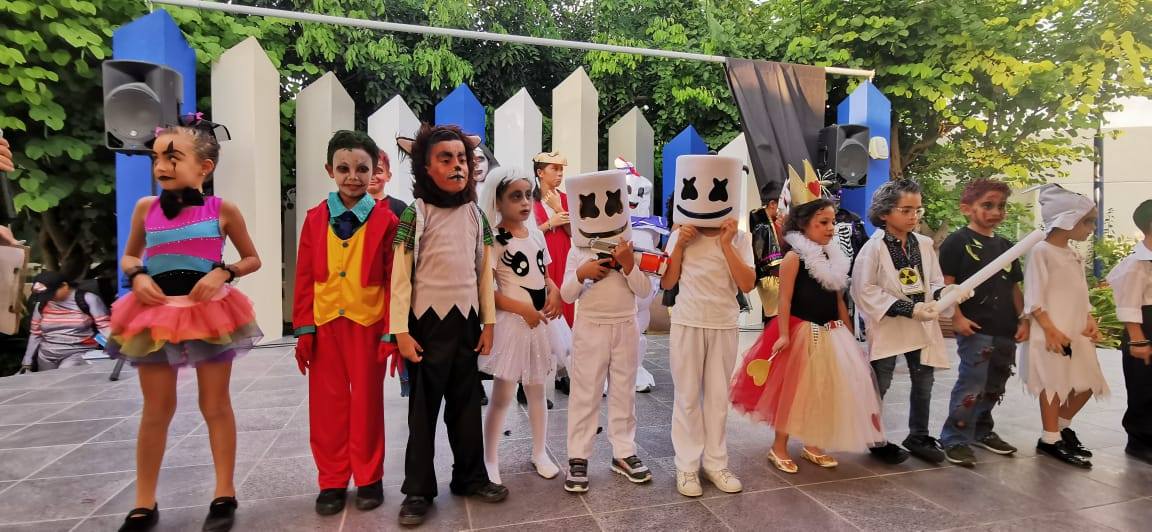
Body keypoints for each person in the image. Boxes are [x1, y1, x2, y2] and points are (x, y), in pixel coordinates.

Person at [108, 115, 262, 532]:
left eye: (172, 158)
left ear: (204, 167)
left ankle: (224, 491)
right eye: (157, 158)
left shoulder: (221, 210)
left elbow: (252, 258)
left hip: (209, 314)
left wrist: (224, 272)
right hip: (156, 315)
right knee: (156, 409)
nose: (161, 166)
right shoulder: (146, 208)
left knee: (215, 404)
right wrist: (137, 274)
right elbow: (130, 255)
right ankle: (144, 500)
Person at [391, 124, 507, 526]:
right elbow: (400, 276)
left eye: (462, 158)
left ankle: (470, 477)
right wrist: (400, 331)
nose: (457, 166)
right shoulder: (416, 214)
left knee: (466, 406)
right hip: (426, 328)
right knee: (422, 412)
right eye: (446, 159)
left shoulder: (476, 214)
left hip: (466, 325)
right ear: (426, 167)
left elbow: (484, 274)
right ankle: (418, 489)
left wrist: (488, 323)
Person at [731, 196, 885, 474]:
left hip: (832, 333)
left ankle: (813, 443)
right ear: (804, 225)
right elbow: (785, 299)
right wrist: (783, 333)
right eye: (823, 222)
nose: (830, 228)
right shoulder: (793, 258)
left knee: (824, 390)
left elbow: (838, 299)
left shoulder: (834, 258)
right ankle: (779, 446)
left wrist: (849, 332)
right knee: (791, 391)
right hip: (801, 332)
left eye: (833, 222)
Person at [293, 130, 399, 516]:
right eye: (343, 168)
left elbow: (394, 280)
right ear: (330, 170)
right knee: (327, 406)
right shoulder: (314, 218)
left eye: (361, 169)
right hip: (325, 325)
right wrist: (304, 328)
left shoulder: (387, 220)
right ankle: (333, 479)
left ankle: (369, 477)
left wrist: (390, 331)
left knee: (367, 403)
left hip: (367, 323)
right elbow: (304, 276)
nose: (352, 177)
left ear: (375, 171)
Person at [660, 155, 755, 497]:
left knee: (717, 398)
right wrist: (680, 245)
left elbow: (747, 284)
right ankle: (686, 466)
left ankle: (716, 462)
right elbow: (667, 282)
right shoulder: (679, 236)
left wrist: (726, 244)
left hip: (723, 323)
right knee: (687, 396)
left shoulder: (739, 238)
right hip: (687, 321)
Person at [852, 178, 960, 465]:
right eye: (906, 210)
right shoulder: (873, 248)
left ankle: (919, 435)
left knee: (924, 380)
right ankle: (875, 438)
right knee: (881, 382)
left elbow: (933, 281)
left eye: (917, 210)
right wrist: (908, 309)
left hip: (921, 325)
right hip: (890, 325)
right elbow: (864, 290)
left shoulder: (924, 244)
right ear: (884, 213)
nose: (914, 216)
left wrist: (944, 293)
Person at [561, 169, 654, 493]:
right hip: (590, 328)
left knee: (624, 391)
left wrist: (629, 264)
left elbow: (645, 291)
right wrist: (582, 273)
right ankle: (578, 456)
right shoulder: (578, 250)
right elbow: (566, 295)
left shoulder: (631, 246)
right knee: (585, 392)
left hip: (625, 326)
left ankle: (624, 452)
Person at [477, 166, 570, 484]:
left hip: (539, 325)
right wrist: (522, 309)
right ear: (498, 201)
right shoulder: (495, 240)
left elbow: (545, 275)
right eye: (515, 197)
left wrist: (554, 292)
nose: (525, 203)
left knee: (537, 391)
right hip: (512, 328)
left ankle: (540, 451)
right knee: (503, 395)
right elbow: (487, 291)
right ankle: (490, 457)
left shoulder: (536, 235)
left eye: (528, 195)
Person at [936, 179, 1027, 467]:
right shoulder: (957, 242)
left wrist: (1023, 318)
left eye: (1001, 206)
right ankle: (954, 437)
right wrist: (957, 317)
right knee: (972, 384)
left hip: (1006, 327)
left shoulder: (1006, 246)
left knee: (996, 383)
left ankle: (981, 429)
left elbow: (1014, 286)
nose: (996, 212)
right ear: (967, 208)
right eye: (987, 205)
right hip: (975, 327)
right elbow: (947, 285)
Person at [1019, 184, 1107, 468]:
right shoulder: (1041, 251)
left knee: (1088, 383)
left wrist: (1089, 319)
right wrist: (1049, 329)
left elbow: (1080, 292)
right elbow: (1034, 297)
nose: (1092, 228)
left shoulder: (1071, 253)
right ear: (1067, 220)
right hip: (1052, 331)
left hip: (1075, 329)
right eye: (1088, 222)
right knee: (1053, 383)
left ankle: (1060, 426)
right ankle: (1050, 438)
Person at [1106, 199, 1152, 464]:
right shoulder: (1136, 263)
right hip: (1143, 328)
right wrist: (1138, 341)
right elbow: (1128, 304)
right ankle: (1139, 441)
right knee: (1143, 387)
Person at [20, 271, 110, 372]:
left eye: (51, 293)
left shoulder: (88, 299)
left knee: (64, 374)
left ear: (64, 286)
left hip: (78, 352)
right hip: (46, 356)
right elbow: (35, 333)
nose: (49, 298)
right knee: (47, 381)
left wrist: (119, 349)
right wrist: (27, 362)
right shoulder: (41, 304)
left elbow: (104, 326)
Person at [750, 198, 783, 325]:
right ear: (772, 204)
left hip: (775, 277)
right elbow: (763, 258)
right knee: (775, 319)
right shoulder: (762, 227)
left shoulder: (770, 224)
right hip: (772, 278)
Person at [368, 150, 408, 218]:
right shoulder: (352, 207)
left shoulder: (400, 208)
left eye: (378, 171)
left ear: (388, 176)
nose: (372, 176)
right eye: (366, 171)